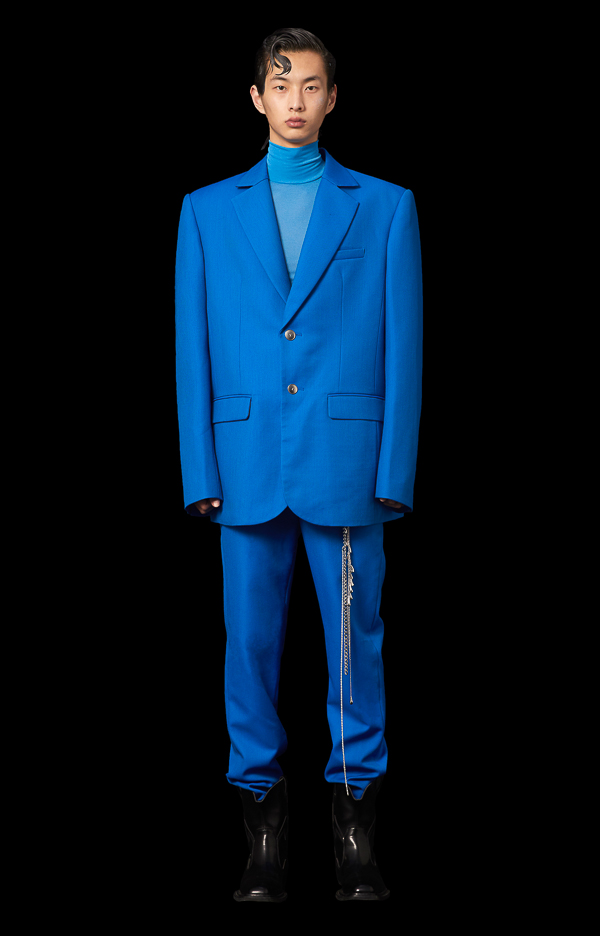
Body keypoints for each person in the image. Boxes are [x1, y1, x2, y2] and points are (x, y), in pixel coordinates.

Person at [174, 26, 423, 902]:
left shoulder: (385, 206)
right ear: (256, 98)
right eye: (281, 86)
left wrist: (395, 470)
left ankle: (354, 830)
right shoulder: (206, 210)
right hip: (242, 465)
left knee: (355, 647)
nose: (296, 101)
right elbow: (192, 347)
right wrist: (198, 471)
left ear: (332, 98)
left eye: (312, 86)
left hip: (348, 465)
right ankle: (263, 833)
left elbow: (405, 346)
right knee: (249, 648)